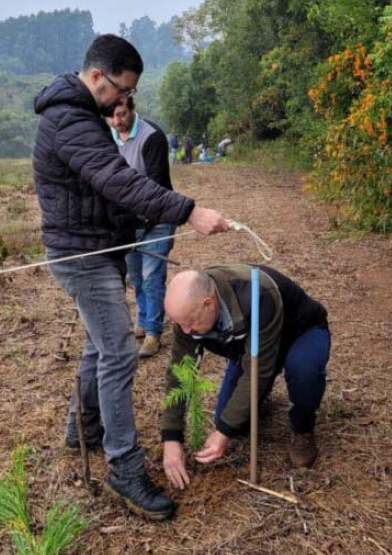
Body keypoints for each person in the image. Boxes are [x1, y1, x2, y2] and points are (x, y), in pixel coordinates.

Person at [32, 34, 230, 520]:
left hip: (95, 248)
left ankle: (83, 429)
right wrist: (189, 211)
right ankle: (123, 466)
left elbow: (105, 191)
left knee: (98, 346)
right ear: (97, 76)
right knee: (119, 352)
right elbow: (118, 181)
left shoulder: (82, 114)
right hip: (82, 257)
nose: (124, 101)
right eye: (122, 89)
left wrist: (132, 229)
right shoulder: (69, 119)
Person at [159, 265, 331, 490]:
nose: (186, 331)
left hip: (300, 332)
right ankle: (258, 400)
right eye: (181, 324)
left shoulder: (258, 296)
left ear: (209, 304)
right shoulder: (188, 315)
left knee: (304, 371)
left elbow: (258, 371)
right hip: (251, 350)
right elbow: (180, 371)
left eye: (190, 323)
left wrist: (223, 432)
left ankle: (303, 427)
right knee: (232, 422)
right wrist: (171, 437)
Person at [106, 97, 174, 358]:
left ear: (132, 109)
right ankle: (144, 320)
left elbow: (156, 183)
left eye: (122, 114)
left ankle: (154, 333)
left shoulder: (152, 136)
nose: (117, 121)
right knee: (135, 276)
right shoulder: (107, 137)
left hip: (158, 218)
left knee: (152, 277)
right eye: (112, 116)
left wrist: (139, 214)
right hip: (127, 221)